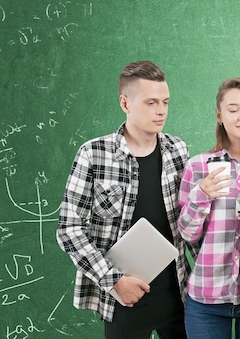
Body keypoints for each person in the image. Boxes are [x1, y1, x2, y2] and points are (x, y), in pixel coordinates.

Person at [56, 61, 192, 339]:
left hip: (178, 293)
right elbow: (69, 229)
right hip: (122, 298)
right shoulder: (93, 154)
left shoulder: (177, 150)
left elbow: (189, 218)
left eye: (165, 101)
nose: (161, 110)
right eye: (151, 102)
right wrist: (114, 281)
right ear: (125, 103)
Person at [178, 78, 240, 339]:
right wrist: (203, 194)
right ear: (220, 116)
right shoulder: (198, 166)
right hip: (206, 299)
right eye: (233, 109)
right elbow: (187, 234)